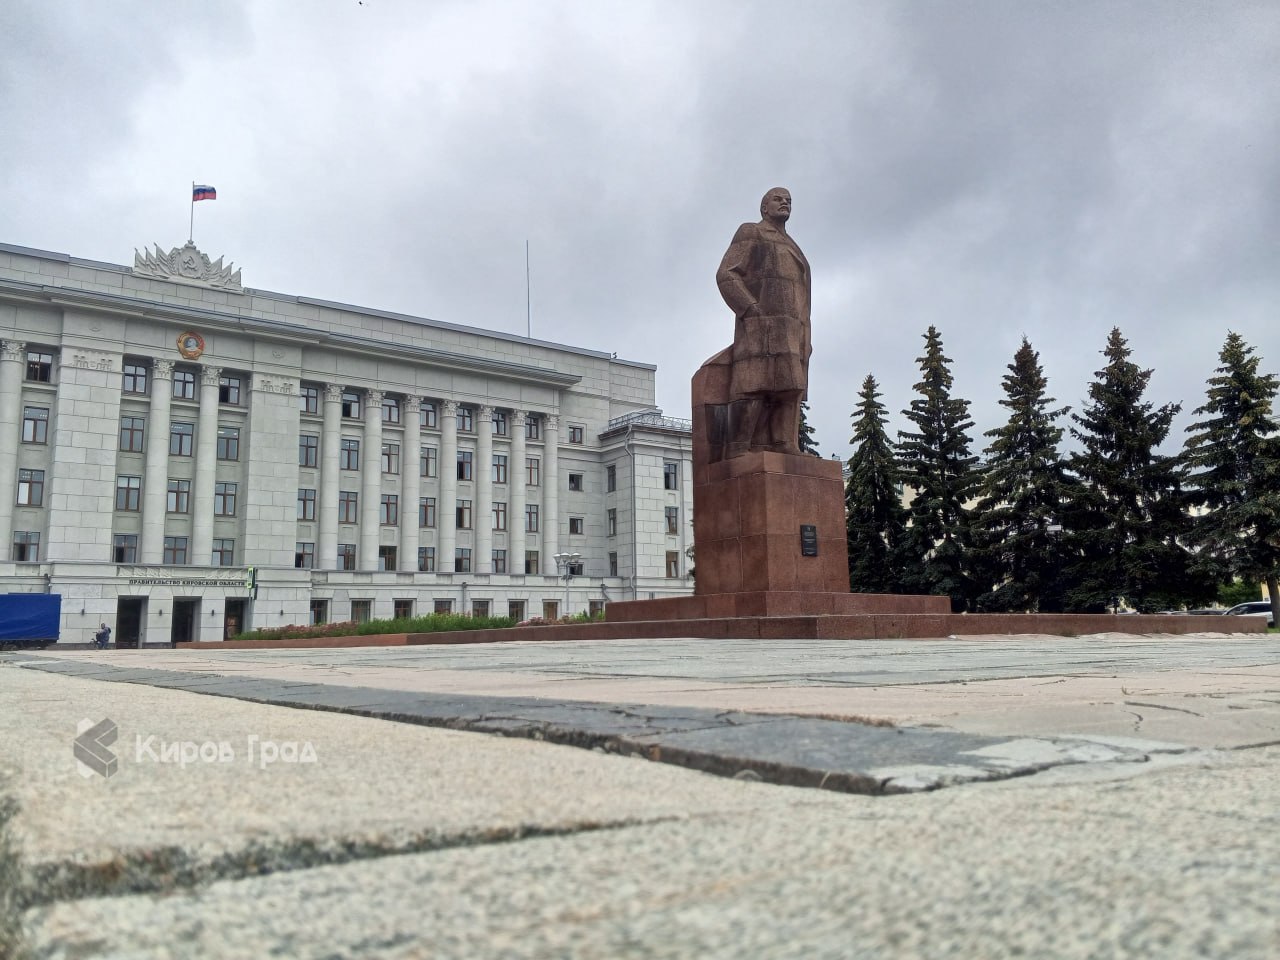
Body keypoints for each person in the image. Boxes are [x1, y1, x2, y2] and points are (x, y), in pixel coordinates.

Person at [715, 186, 812, 456]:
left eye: (789, 200)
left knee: (791, 387)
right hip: (761, 325)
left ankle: (785, 443)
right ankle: (739, 448)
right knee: (754, 385)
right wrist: (751, 309)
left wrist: (806, 334)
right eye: (778, 199)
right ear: (764, 208)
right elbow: (726, 275)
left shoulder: (794, 246)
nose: (785, 203)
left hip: (794, 330)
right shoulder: (752, 231)